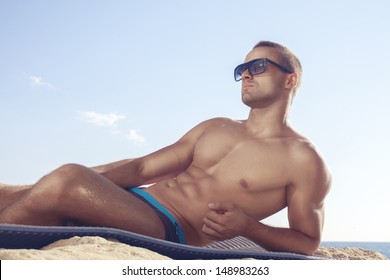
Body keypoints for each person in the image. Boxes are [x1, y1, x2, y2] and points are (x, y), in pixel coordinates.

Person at [0, 41, 331, 255]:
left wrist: (247, 228)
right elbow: (141, 169)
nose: (246, 74)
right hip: (135, 201)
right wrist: (35, 187)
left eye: (258, 66)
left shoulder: (303, 159)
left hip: (171, 228)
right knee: (14, 190)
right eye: (241, 69)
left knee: (67, 180)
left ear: (291, 79)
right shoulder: (215, 127)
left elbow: (307, 241)